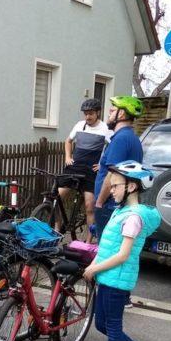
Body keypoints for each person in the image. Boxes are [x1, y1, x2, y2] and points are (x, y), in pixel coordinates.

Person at [79, 161, 161, 341]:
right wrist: (94, 263)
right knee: (102, 324)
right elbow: (107, 246)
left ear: (132, 187)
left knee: (112, 326)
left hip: (117, 279)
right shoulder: (121, 211)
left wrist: (95, 268)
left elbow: (123, 254)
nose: (111, 190)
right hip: (108, 276)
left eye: (116, 186)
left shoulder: (133, 217)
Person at [58, 98, 112, 242]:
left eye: (91, 113)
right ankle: (56, 229)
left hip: (91, 171)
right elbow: (68, 141)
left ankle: (88, 241)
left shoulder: (105, 128)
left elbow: (112, 147)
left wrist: (102, 165)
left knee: (89, 206)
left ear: (97, 113)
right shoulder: (80, 125)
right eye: (86, 114)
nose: (88, 116)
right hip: (74, 167)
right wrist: (68, 157)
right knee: (56, 197)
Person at [93, 96, 144, 237]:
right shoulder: (131, 138)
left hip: (110, 205)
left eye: (111, 111)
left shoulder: (121, 139)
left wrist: (99, 202)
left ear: (121, 114)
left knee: (106, 249)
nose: (108, 115)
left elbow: (112, 175)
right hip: (119, 203)